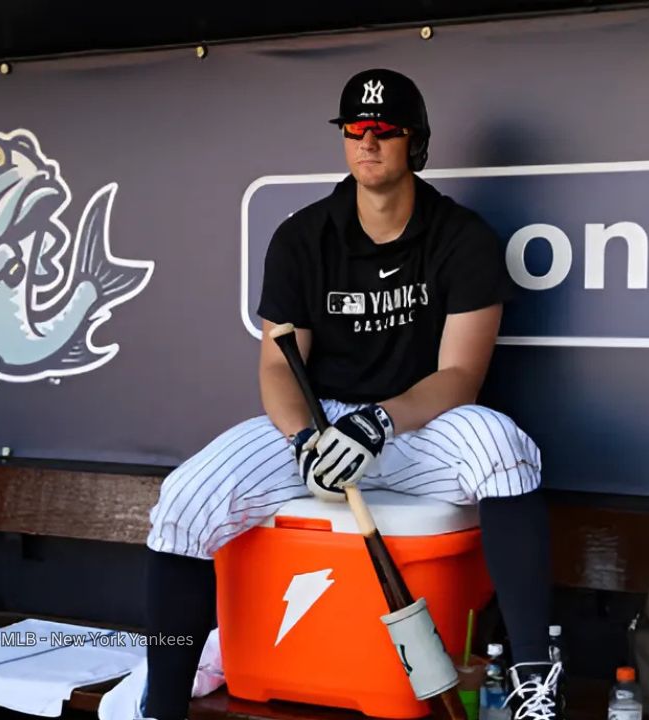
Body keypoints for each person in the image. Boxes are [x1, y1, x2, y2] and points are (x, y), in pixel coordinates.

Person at [139, 68, 563, 720]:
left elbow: (460, 378)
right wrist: (305, 438)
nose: (368, 142)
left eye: (385, 130)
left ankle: (537, 684)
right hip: (322, 425)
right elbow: (279, 366)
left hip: (420, 427)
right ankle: (159, 706)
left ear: (414, 143)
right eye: (356, 130)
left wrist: (382, 421)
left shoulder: (462, 238)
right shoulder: (303, 236)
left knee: (505, 448)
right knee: (183, 502)